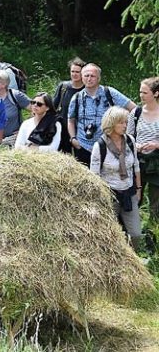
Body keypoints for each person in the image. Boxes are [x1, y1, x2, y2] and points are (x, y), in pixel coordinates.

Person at [91, 107, 142, 250]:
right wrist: (100, 199)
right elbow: (94, 175)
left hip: (129, 192)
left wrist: (138, 189)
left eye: (126, 122)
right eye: (121, 123)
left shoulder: (130, 141)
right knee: (110, 234)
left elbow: (136, 166)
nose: (125, 126)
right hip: (109, 195)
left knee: (136, 234)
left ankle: (134, 261)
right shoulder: (99, 146)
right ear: (111, 123)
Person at [68, 63, 136, 165]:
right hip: (83, 147)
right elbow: (71, 120)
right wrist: (73, 139)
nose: (89, 79)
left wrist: (127, 132)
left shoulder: (110, 93)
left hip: (107, 146)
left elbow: (134, 109)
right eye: (86, 76)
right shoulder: (76, 97)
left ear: (99, 78)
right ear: (82, 77)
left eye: (92, 76)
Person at [128, 77, 159, 226]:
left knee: (156, 203)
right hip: (137, 161)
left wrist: (156, 145)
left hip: (156, 163)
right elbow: (127, 136)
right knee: (135, 198)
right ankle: (132, 232)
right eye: (140, 92)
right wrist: (136, 145)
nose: (141, 95)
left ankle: (152, 238)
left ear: (156, 93)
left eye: (145, 92)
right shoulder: (136, 112)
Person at [52, 57, 86, 153]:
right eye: (72, 71)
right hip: (62, 128)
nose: (74, 74)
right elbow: (53, 106)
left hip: (80, 130)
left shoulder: (86, 90)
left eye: (77, 72)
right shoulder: (63, 87)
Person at [0, 69, 31, 146]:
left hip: (13, 140)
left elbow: (37, 110)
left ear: (4, 84)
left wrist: (25, 128)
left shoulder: (15, 96)